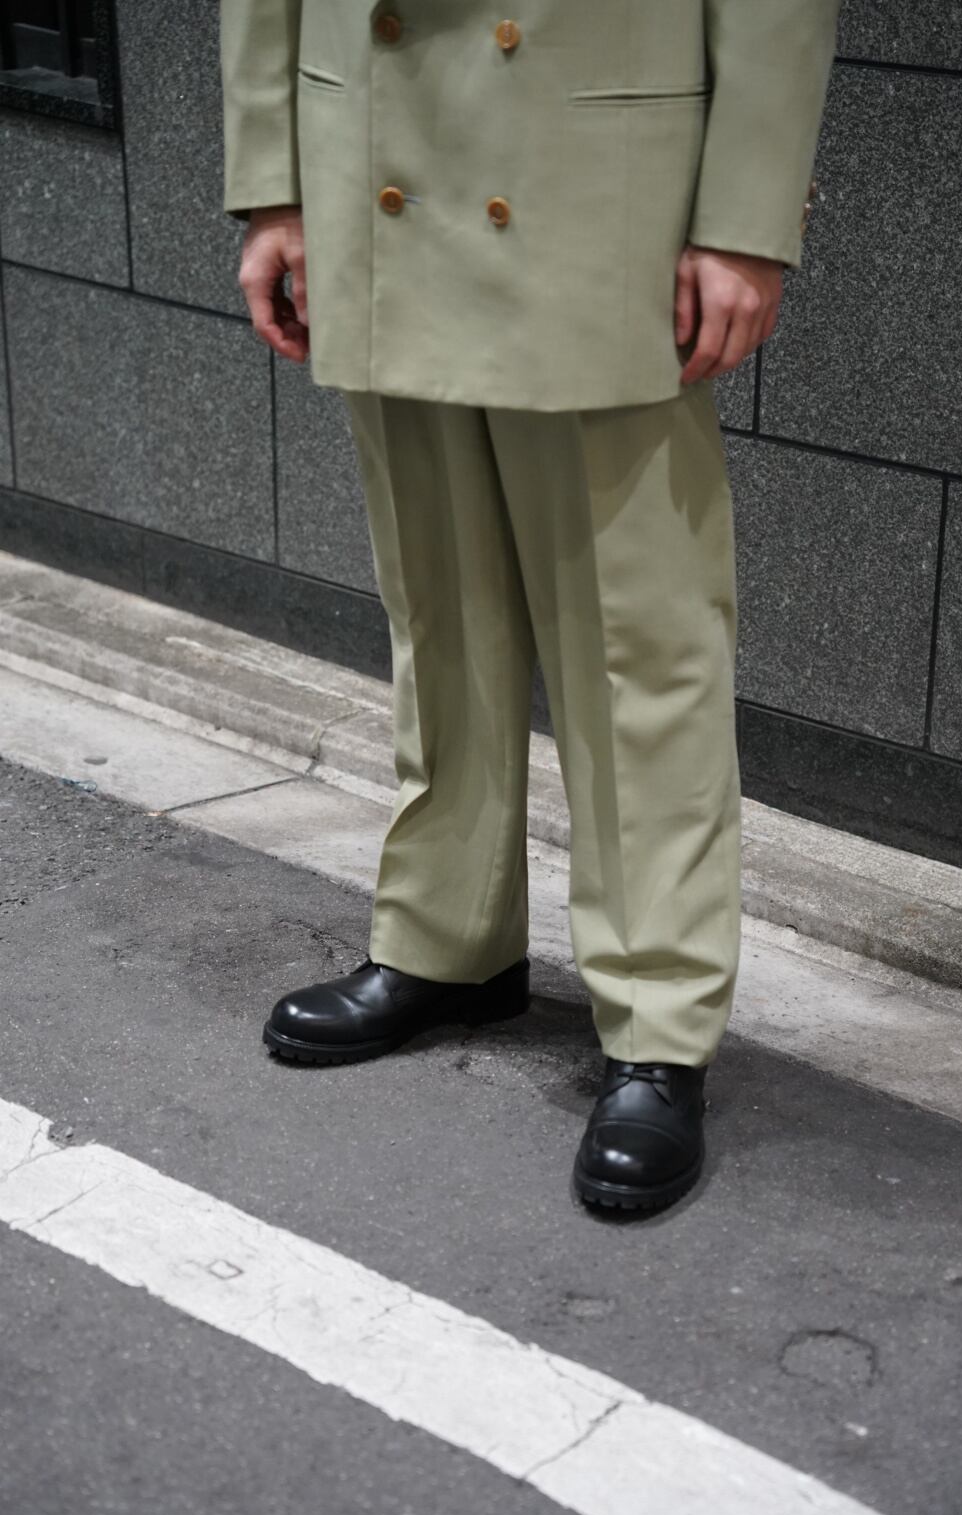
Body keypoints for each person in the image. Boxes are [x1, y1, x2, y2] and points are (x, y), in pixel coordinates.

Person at [220, 1, 841, 1212]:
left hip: (596, 161)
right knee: (438, 602)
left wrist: (746, 213)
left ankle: (657, 1018)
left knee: (636, 634)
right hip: (376, 134)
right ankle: (446, 938)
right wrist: (274, 181)